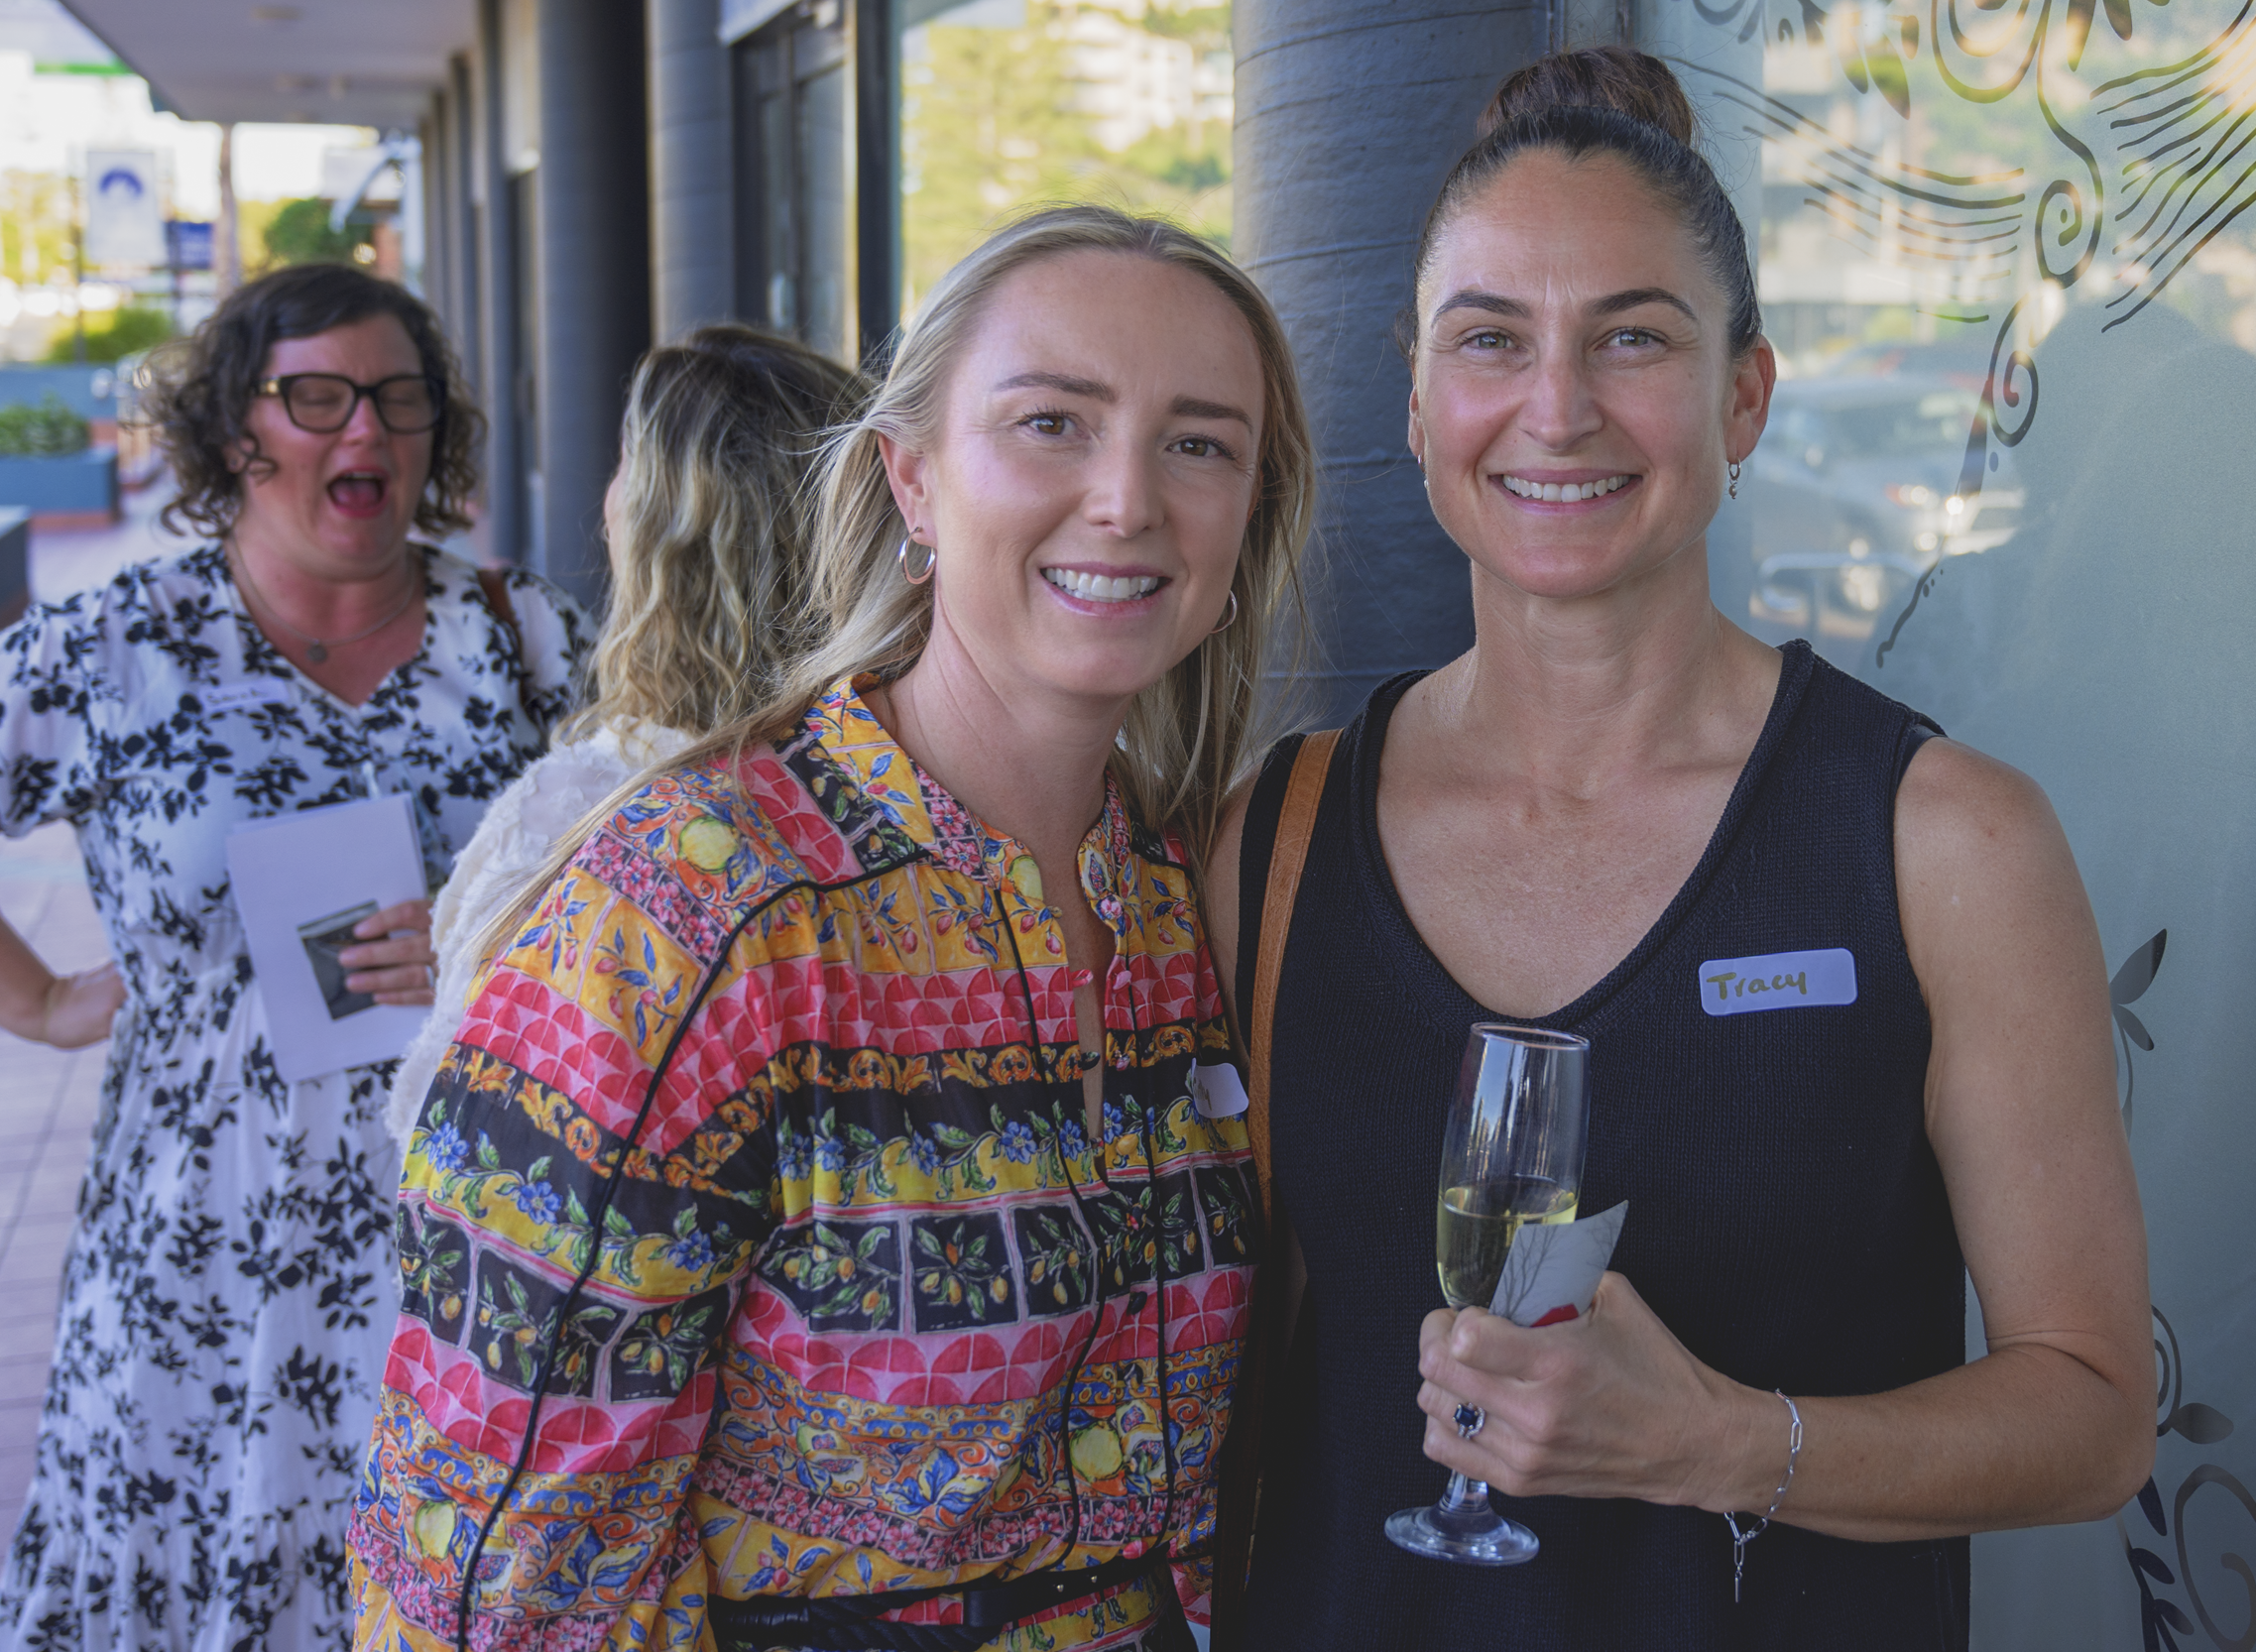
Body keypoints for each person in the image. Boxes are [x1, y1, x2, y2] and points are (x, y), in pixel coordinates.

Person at [1202, 48, 2154, 1646]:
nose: (1556, 407)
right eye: (1490, 339)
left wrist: (1715, 1439)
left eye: (1632, 337)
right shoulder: (1275, 839)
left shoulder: (1939, 838)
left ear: (1742, 397)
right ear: (1421, 403)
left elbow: (2097, 1413)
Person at [348, 204, 1313, 1652]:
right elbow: (492, 1572)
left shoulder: (1188, 892)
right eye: (1052, 421)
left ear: (1249, 511)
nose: (1126, 498)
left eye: (1198, 442)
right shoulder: (689, 910)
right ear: (911, 479)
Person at [0, 263, 594, 1652]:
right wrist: (40, 999)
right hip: (191, 1261)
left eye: (399, 399)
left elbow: (652, 894)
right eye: (316, 396)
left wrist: (488, 936)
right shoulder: (112, 648)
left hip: (466, 1242)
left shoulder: (530, 643)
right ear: (229, 433)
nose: (365, 434)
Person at [387, 323, 865, 1146]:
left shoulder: (580, 816)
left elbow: (460, 1132)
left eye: (623, 468)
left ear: (659, 537)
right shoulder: (911, 781)